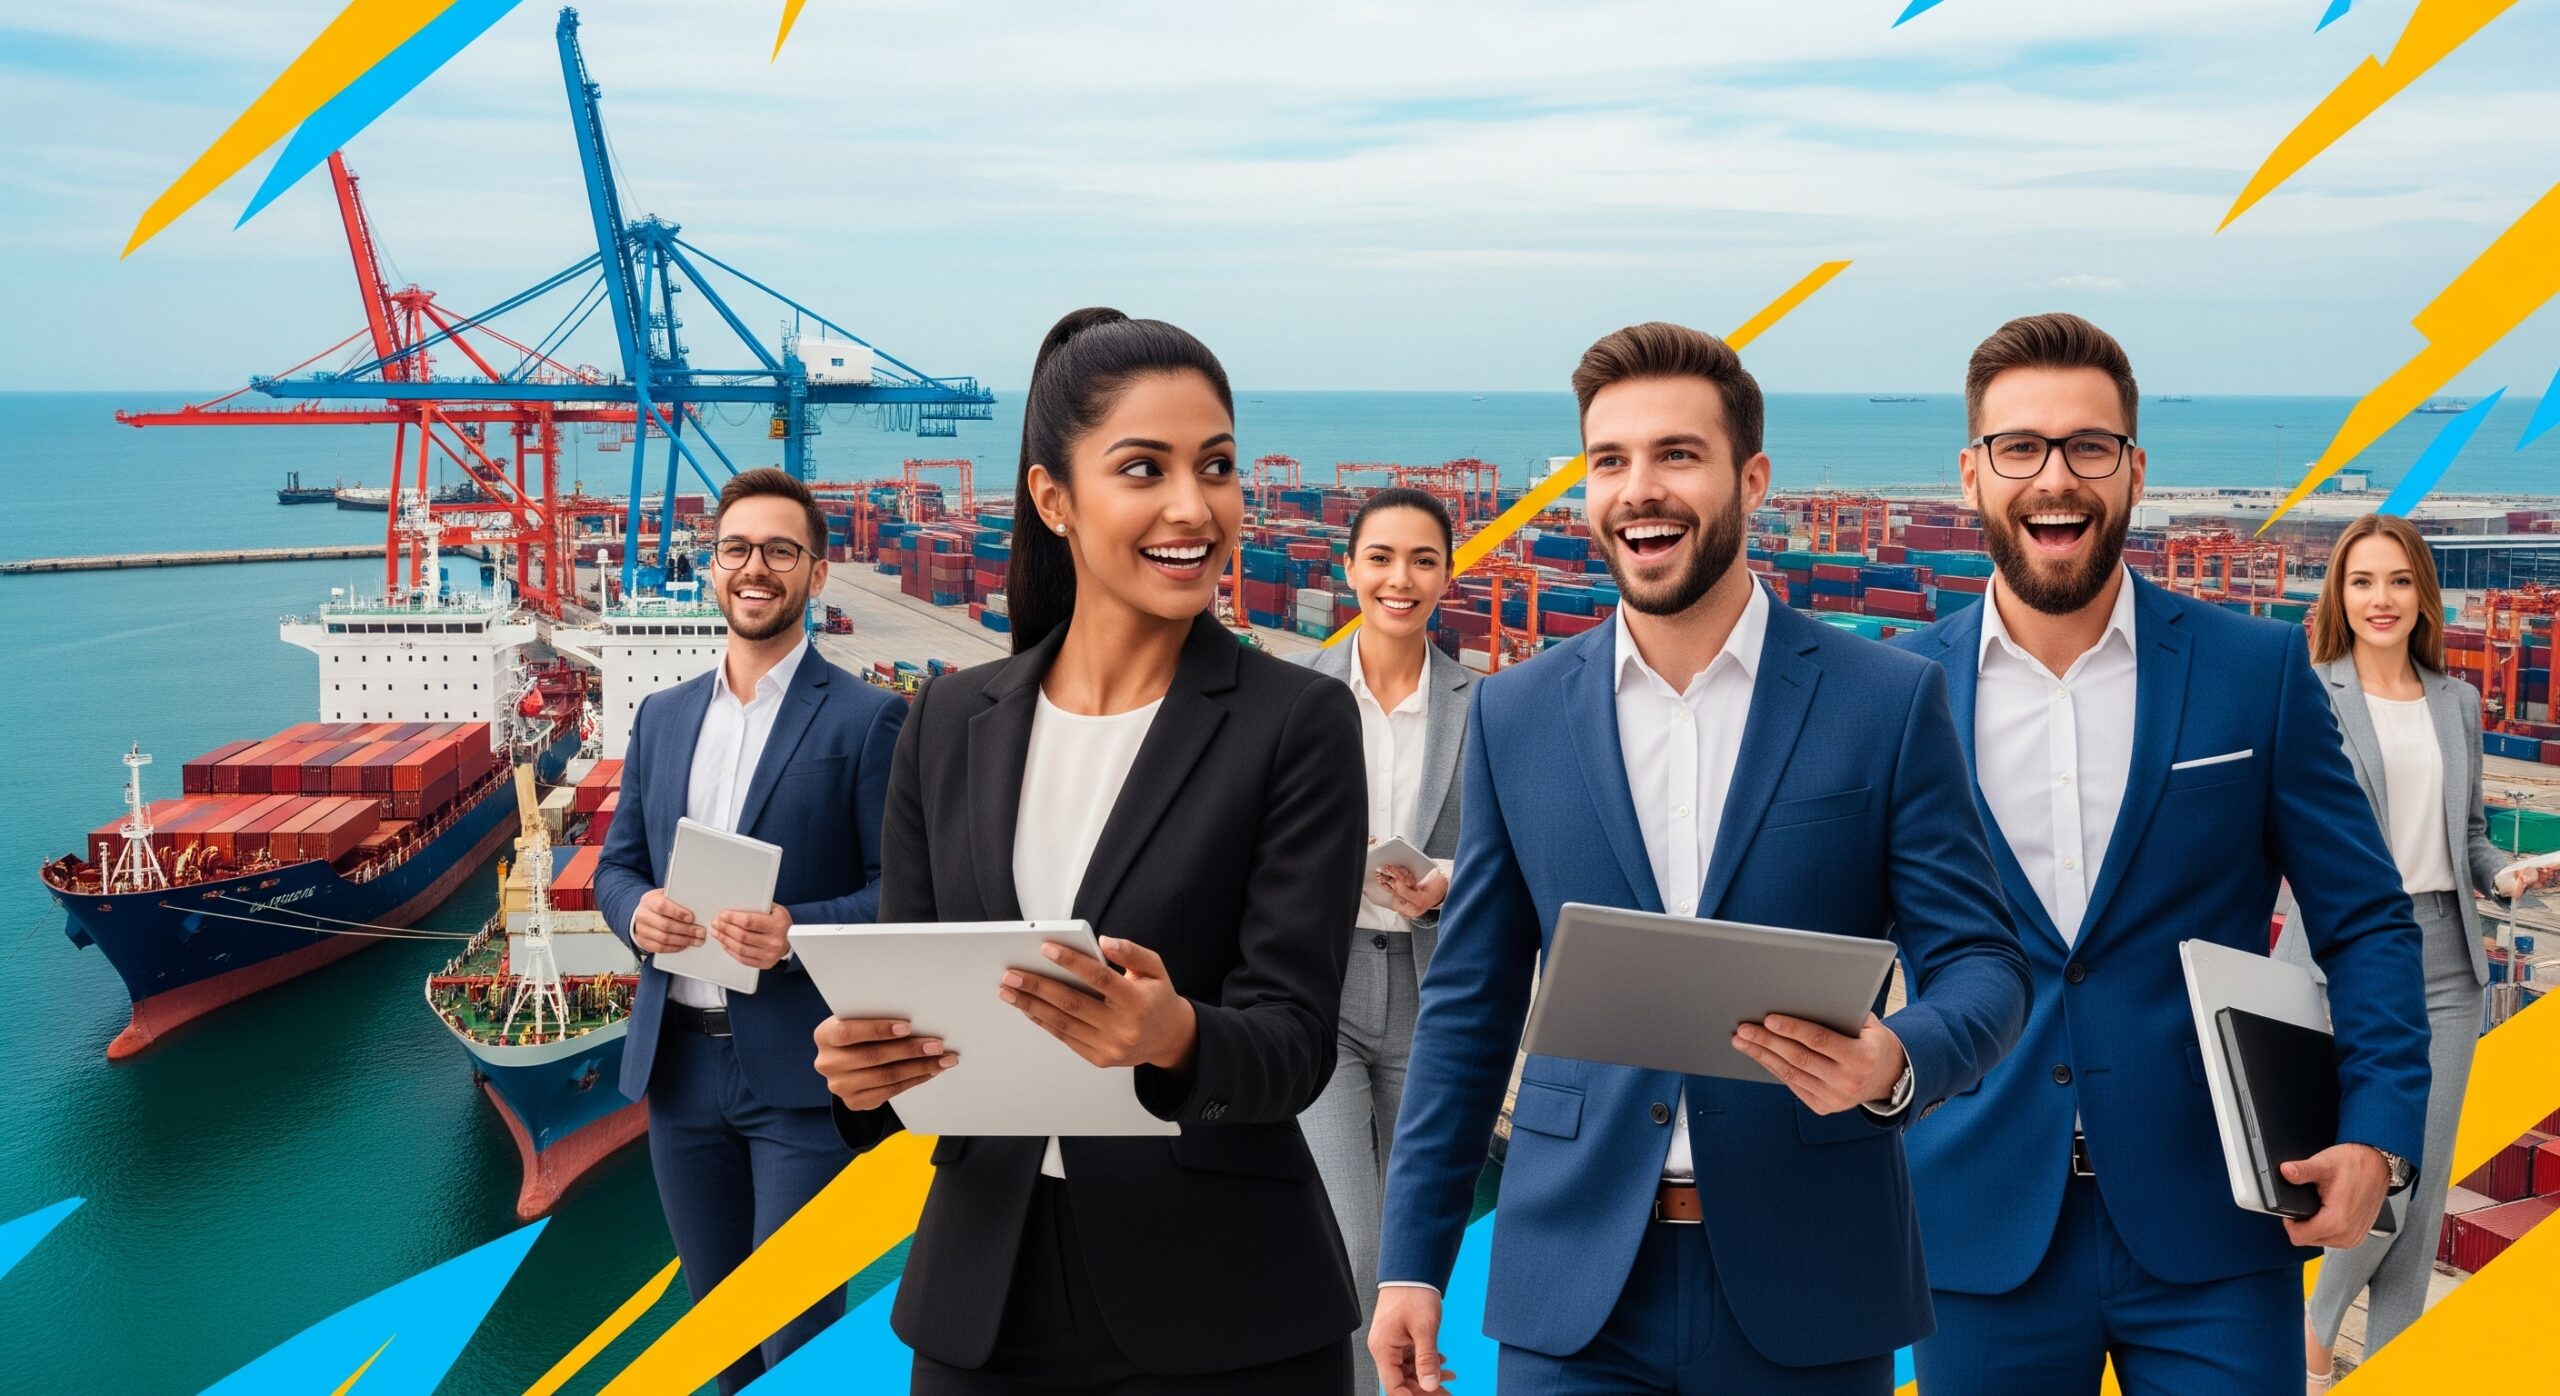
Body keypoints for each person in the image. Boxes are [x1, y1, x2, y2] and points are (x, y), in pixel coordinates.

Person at [1370, 321, 2032, 1396]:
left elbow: (1986, 966)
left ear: (1750, 477)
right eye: (1609, 460)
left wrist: (1894, 1063)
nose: (1641, 489)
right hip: (1571, 1285)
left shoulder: (1888, 703)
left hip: (1813, 1275)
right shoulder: (1515, 716)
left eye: (1677, 454)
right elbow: (1467, 1007)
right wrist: (1411, 1261)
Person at [811, 308, 1368, 1394]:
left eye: (1215, 465)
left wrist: (1175, 1036)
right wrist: (859, 1078)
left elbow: (1297, 1041)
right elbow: (909, 998)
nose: (1191, 505)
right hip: (984, 1299)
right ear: (1052, 499)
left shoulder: (1296, 721)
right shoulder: (945, 720)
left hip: (1227, 1309)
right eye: (1143, 468)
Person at [1889, 313, 2433, 1396]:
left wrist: (2377, 1131)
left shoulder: (2256, 672)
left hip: (2219, 1223)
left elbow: (2367, 921)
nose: (2056, 477)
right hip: (1975, 1227)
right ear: (1971, 472)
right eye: (2020, 447)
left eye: (2089, 446)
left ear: (2134, 468)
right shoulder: (1893, 694)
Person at [594, 466, 907, 1395]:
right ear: (713, 566)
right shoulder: (661, 716)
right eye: (737, 549)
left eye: (780, 550)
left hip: (802, 1079)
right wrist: (634, 914)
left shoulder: (869, 717)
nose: (755, 567)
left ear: (817, 573)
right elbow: (615, 867)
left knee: (797, 1345)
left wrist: (795, 932)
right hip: (678, 1072)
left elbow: (903, 897)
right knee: (718, 1337)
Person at [2284, 512, 2545, 1388]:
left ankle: (2389, 1367)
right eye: (2362, 581)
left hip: (2445, 956)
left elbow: (2468, 839)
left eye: (2398, 580)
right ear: (2340, 595)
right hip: (2343, 953)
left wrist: (2512, 874)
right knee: (2379, 1175)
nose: (2381, 598)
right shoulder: (2307, 693)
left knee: (2421, 1194)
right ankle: (2315, 1333)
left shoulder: (2458, 702)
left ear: (2422, 593)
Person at [1289, 486, 1475, 1358]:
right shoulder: (1295, 696)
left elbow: (1519, 851)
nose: (1401, 579)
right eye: (1381, 558)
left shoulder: (1489, 704)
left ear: (1446, 574)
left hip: (1437, 993)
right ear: (1349, 568)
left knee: (1414, 1260)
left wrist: (1448, 878)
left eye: (1424, 559)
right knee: (1348, 1248)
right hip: (1321, 991)